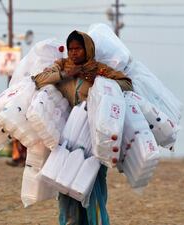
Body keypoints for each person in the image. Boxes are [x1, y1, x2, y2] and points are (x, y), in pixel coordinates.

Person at [33, 30, 132, 225]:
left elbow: (127, 85)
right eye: (70, 49)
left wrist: (100, 81)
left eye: (78, 48)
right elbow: (38, 80)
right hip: (66, 139)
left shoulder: (99, 69)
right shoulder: (62, 66)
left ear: (87, 49)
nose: (74, 53)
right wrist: (65, 74)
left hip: (92, 138)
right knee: (65, 187)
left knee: (92, 187)